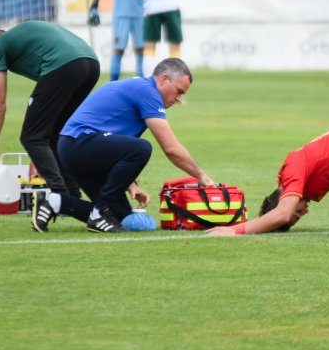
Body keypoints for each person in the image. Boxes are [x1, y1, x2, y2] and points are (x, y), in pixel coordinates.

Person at [33, 58, 213, 234]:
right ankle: (99, 213)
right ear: (164, 79)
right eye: (178, 91)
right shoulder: (148, 92)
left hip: (78, 148)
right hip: (79, 144)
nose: (178, 99)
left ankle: (55, 202)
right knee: (142, 148)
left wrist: (130, 184)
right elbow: (171, 149)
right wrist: (201, 176)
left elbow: (117, 147)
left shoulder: (142, 89)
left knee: (120, 216)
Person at [0, 20, 100, 201]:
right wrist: (39, 157)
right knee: (53, 136)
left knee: (31, 137)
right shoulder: (24, 42)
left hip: (64, 64)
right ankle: (73, 198)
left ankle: (60, 198)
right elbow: (46, 116)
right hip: (91, 64)